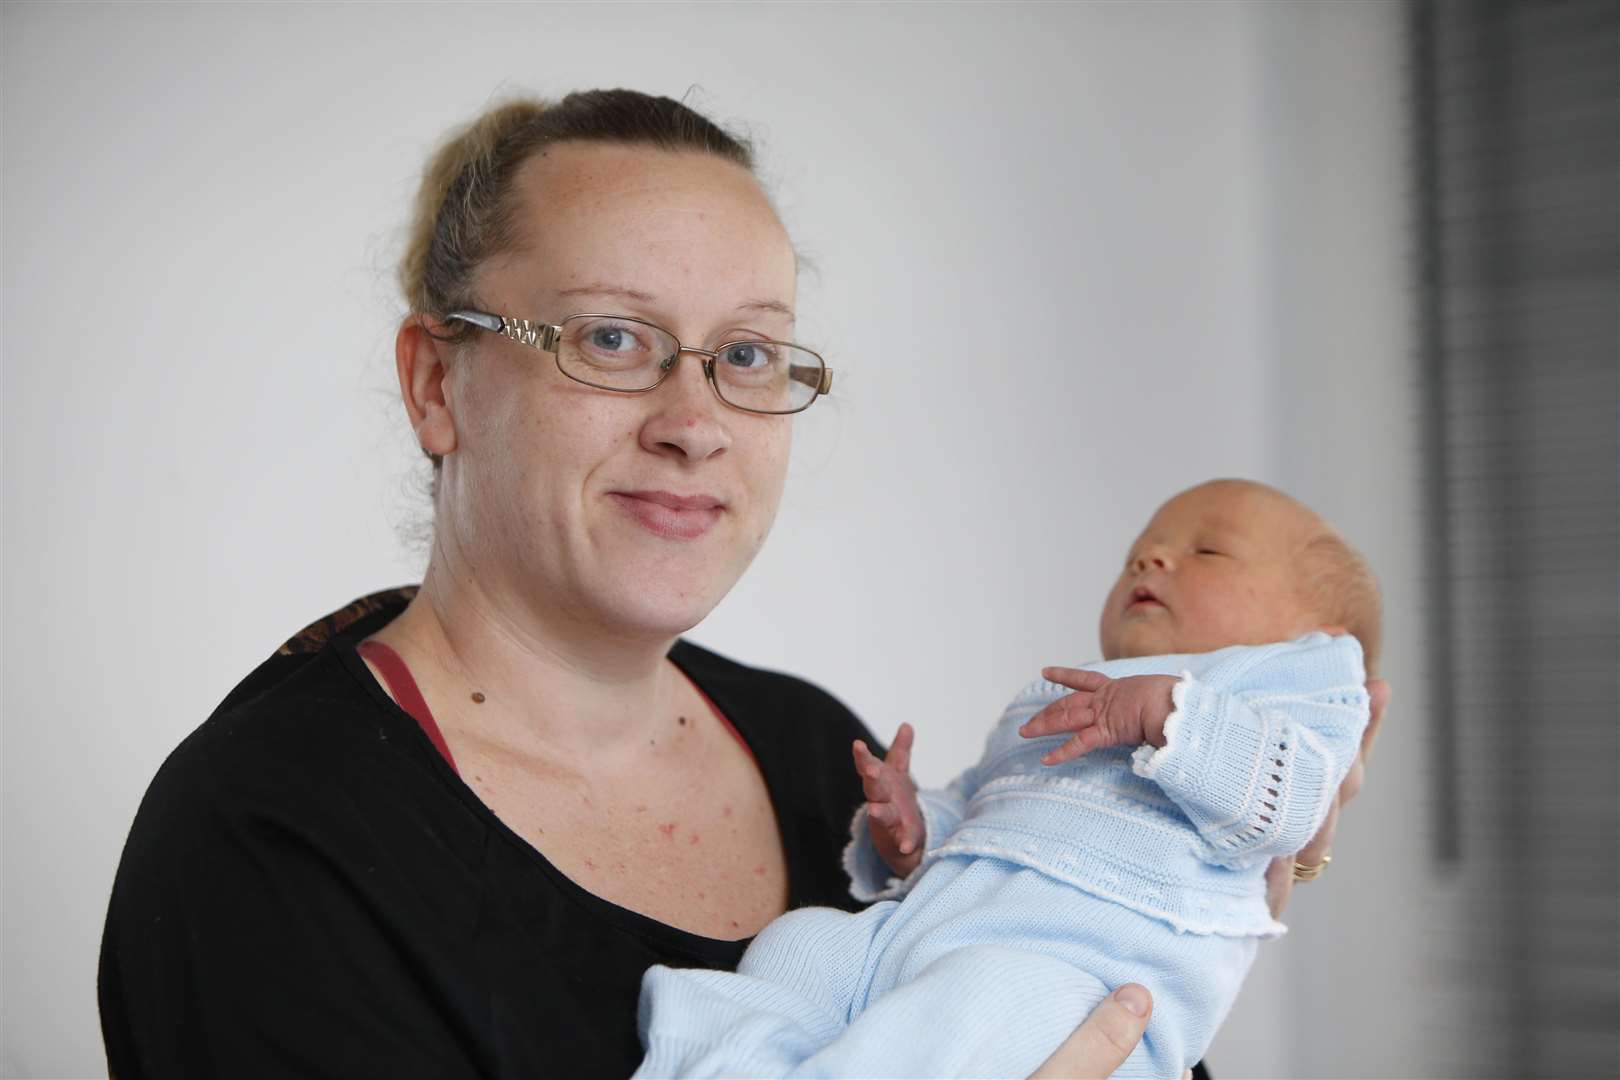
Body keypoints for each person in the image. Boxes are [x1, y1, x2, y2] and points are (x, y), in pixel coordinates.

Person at [97, 91, 1381, 1079]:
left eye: (750, 355)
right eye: (612, 338)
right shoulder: (273, 841)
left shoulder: (819, 751)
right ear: (440, 384)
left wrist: (1233, 870)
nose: (696, 421)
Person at [634, 479, 1384, 1077]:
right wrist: (915, 828)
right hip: (921, 944)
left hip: (1075, 983)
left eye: (1208, 551)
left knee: (976, 1005)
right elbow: (987, 809)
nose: (1150, 558)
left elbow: (1294, 803)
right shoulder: (1073, 695)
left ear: (1312, 633)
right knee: (804, 943)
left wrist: (1168, 715)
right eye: (1140, 549)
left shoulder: (1289, 687)